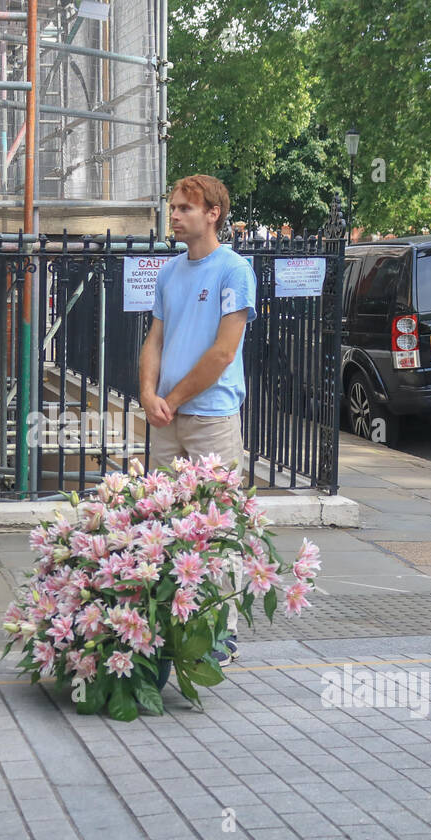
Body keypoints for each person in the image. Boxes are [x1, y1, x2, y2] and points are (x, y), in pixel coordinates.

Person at [138, 174, 257, 664]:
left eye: (185, 207)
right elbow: (155, 338)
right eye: (172, 206)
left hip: (210, 416)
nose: (175, 214)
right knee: (162, 522)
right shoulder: (169, 273)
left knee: (217, 525)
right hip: (166, 417)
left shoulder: (234, 270)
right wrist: (148, 392)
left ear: (213, 214)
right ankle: (171, 622)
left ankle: (220, 632)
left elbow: (224, 352)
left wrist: (175, 396)